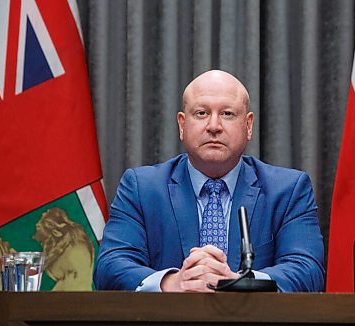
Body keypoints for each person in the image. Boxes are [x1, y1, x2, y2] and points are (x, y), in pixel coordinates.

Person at [94, 70, 325, 292]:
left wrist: (241, 282)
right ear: (182, 125)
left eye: (227, 114)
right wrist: (171, 283)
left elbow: (308, 270)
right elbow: (110, 266)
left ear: (248, 125)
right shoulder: (142, 188)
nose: (214, 126)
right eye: (202, 113)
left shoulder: (288, 190)